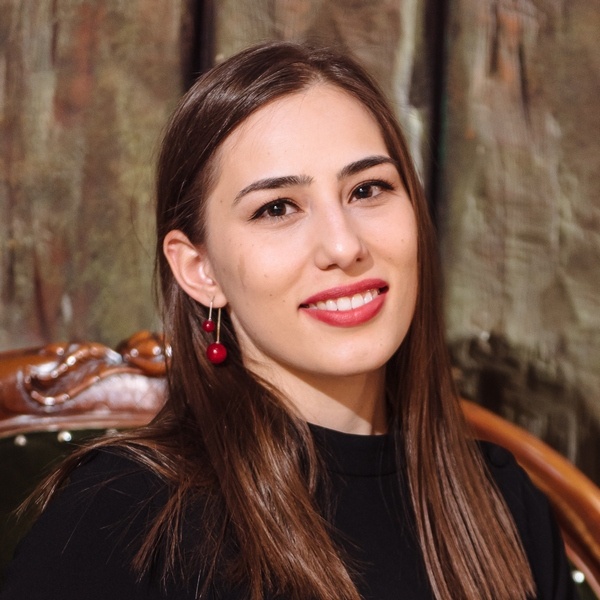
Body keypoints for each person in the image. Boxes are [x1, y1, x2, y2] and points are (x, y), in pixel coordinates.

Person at [0, 41, 576, 600]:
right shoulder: (123, 518)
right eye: (277, 208)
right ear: (201, 270)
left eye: (367, 189)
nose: (343, 246)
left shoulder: (502, 503)